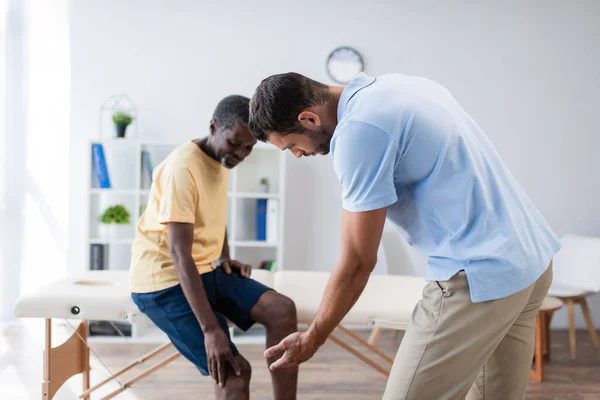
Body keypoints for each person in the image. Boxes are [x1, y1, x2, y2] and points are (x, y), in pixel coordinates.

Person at [248, 73, 561, 400]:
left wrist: (313, 336)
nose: (297, 155)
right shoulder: (397, 86)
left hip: (480, 276)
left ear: (309, 119)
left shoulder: (359, 132)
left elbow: (357, 261)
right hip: (530, 260)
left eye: (291, 146)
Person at [129, 95, 298, 400]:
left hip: (204, 269)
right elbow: (179, 253)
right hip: (164, 282)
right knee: (234, 371)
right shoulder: (183, 168)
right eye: (236, 143)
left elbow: (214, 214)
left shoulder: (221, 157)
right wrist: (211, 331)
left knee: (282, 310)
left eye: (249, 147)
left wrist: (225, 257)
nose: (242, 153)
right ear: (213, 127)